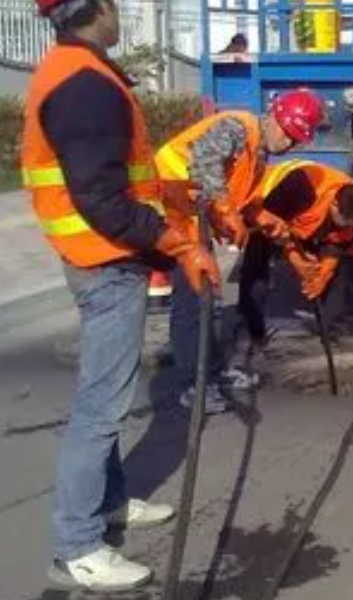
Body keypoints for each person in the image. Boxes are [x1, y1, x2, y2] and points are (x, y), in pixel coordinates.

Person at [21, 0, 220, 592]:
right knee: (100, 406)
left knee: (106, 392)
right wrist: (180, 248)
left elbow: (114, 183)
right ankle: (77, 547)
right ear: (95, 10)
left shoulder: (75, 69)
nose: (118, 15)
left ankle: (108, 503)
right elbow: (104, 199)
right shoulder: (84, 85)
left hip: (99, 257)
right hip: (103, 263)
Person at [154, 90, 325, 413]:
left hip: (191, 213)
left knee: (205, 299)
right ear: (274, 117)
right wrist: (222, 206)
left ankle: (211, 374)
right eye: (287, 134)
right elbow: (203, 158)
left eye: (296, 140)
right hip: (173, 206)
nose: (288, 144)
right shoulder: (238, 127)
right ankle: (196, 384)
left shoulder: (257, 155)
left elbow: (239, 199)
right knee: (196, 301)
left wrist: (262, 219)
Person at [237, 160, 353, 343]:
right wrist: (297, 260)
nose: (351, 228)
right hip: (268, 213)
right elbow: (272, 228)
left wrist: (323, 274)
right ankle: (253, 331)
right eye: (346, 223)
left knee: (335, 274)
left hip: (311, 224)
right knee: (256, 266)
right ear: (334, 204)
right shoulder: (301, 186)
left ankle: (329, 330)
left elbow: (338, 244)